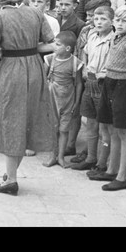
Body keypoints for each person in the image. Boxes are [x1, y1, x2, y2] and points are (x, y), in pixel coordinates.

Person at [0, 0, 55, 196]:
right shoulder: (36, 13)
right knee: (27, 119)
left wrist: (8, 51)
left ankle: (11, 179)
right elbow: (51, 43)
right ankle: (10, 174)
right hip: (34, 69)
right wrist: (29, 50)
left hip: (11, 72)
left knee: (11, 120)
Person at [94, 6, 126, 191]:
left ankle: (121, 176)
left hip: (124, 87)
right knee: (109, 127)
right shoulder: (115, 38)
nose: (120, 23)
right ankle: (110, 170)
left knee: (123, 131)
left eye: (125, 20)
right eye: (117, 20)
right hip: (109, 82)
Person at [71, 5, 115, 173]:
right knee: (90, 122)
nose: (99, 22)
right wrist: (84, 68)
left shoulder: (113, 39)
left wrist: (102, 75)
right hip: (89, 81)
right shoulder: (92, 36)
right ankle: (90, 158)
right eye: (96, 19)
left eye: (103, 19)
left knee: (104, 125)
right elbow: (86, 54)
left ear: (111, 21)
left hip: (103, 83)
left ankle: (102, 164)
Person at [42, 31, 83, 168]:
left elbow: (78, 84)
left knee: (64, 129)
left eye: (57, 44)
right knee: (53, 128)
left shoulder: (76, 63)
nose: (54, 46)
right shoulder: (49, 59)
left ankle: (60, 157)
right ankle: (51, 156)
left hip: (68, 99)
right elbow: (43, 79)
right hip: (52, 97)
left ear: (67, 48)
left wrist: (77, 102)